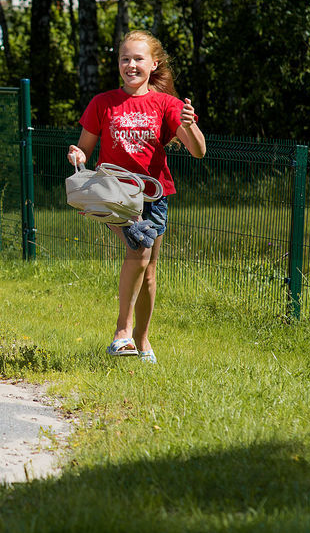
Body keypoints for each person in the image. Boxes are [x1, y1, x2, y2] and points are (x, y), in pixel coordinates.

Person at [67, 29, 206, 365]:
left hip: (153, 195)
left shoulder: (167, 105)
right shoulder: (102, 103)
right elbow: (84, 150)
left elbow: (198, 151)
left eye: (138, 59)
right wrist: (77, 156)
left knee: (149, 269)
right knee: (140, 251)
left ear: (153, 63)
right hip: (114, 196)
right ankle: (121, 333)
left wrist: (190, 125)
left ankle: (142, 340)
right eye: (124, 58)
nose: (131, 64)